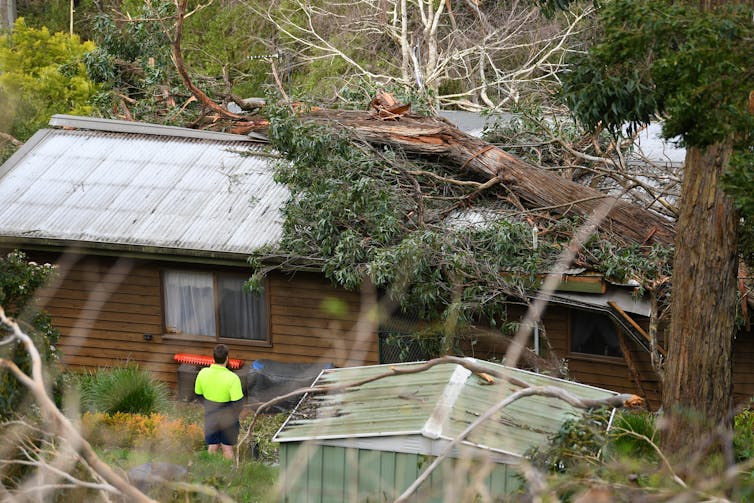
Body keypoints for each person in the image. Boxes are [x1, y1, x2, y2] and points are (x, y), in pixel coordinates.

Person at [194, 344, 244, 459]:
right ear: (227, 358)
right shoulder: (232, 378)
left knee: (213, 446)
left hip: (211, 414)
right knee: (227, 448)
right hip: (228, 415)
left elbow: (198, 395)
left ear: (214, 357)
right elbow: (238, 403)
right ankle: (229, 475)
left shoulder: (203, 373)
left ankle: (210, 474)